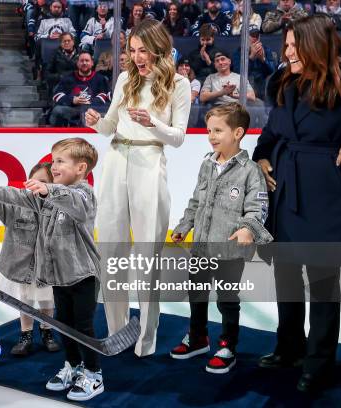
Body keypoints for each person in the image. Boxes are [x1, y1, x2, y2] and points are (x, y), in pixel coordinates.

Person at [0, 137, 104, 401]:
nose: (54, 166)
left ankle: (94, 375)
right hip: (59, 277)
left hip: (83, 276)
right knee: (65, 326)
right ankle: (72, 367)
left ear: (81, 168)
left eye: (60, 161)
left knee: (83, 327)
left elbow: (74, 202)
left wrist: (48, 189)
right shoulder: (50, 197)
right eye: (53, 161)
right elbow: (19, 196)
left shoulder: (84, 195)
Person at [85, 19, 191, 357]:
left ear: (159, 48)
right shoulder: (124, 79)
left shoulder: (179, 83)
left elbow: (177, 137)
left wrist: (152, 123)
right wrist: (96, 122)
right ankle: (118, 332)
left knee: (147, 256)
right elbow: (110, 127)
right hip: (116, 158)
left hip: (150, 161)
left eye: (143, 50)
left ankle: (145, 339)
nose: (137, 56)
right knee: (111, 254)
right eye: (132, 50)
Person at [253, 15, 341, 393]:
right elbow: (270, 133)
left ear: (315, 45)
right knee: (286, 276)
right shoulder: (285, 85)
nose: (287, 52)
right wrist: (261, 158)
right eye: (286, 46)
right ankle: (288, 347)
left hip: (327, 192)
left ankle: (319, 362)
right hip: (286, 190)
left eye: (294, 46)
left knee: (323, 283)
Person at [170, 102, 273, 374]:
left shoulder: (250, 170)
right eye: (209, 130)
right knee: (196, 294)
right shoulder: (207, 164)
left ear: (238, 132)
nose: (211, 136)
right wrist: (184, 225)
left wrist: (248, 229)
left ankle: (227, 345)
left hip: (228, 251)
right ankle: (198, 337)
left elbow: (258, 207)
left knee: (227, 298)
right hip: (200, 247)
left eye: (218, 130)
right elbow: (196, 200)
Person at [0, 162, 60, 357]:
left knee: (46, 301)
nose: (36, 186)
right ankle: (25, 334)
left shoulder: (57, 208)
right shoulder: (17, 205)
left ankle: (46, 329)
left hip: (47, 268)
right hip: (22, 267)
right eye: (33, 181)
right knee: (24, 301)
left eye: (43, 182)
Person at [49, 51, 111, 127]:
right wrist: (72, 100)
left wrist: (90, 102)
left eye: (87, 60)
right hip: (72, 109)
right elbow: (57, 95)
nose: (84, 63)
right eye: (81, 61)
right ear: (77, 64)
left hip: (93, 110)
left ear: (92, 63)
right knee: (58, 110)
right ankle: (58, 136)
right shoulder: (68, 77)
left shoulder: (100, 79)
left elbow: (104, 95)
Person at [232, 27, 277, 101]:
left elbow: (273, 71)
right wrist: (251, 57)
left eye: (257, 35)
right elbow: (238, 73)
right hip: (245, 86)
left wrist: (263, 59)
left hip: (262, 85)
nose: (255, 38)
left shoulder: (266, 50)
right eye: (252, 35)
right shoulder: (238, 52)